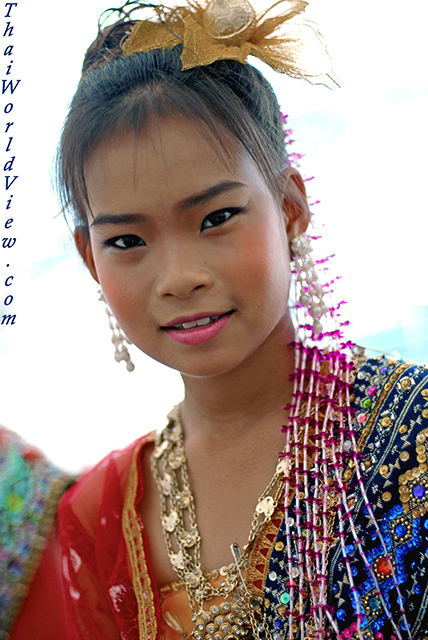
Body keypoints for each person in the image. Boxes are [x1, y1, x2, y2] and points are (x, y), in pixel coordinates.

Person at [51, 1, 428, 639]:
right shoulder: (97, 515)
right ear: (91, 258)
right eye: (126, 242)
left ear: (288, 208)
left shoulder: (411, 436)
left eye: (217, 218)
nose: (178, 277)